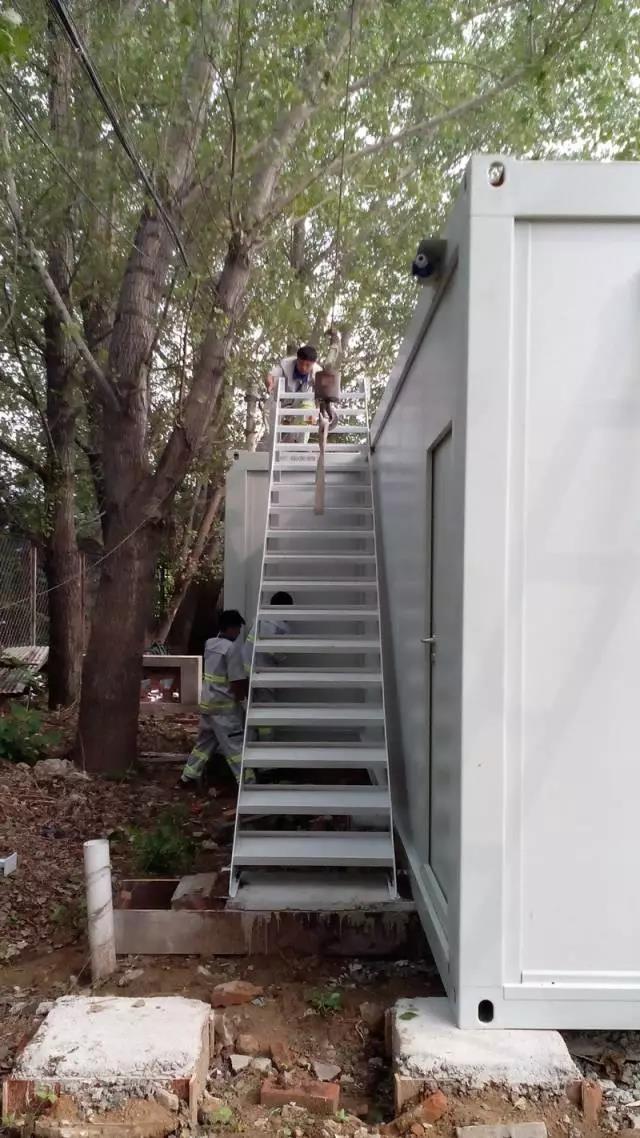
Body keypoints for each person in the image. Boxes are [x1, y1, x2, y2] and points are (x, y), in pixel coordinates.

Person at [178, 610, 250, 788]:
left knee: (204, 745)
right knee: (235, 748)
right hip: (224, 709)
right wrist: (244, 703)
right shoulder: (232, 649)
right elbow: (236, 681)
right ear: (231, 628)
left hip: (208, 705)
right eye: (238, 628)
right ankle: (247, 783)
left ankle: (187, 777)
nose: (239, 632)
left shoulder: (210, 644)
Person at [228, 592, 293, 742]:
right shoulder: (277, 625)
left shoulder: (262, 619)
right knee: (265, 711)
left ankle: (250, 743)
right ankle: (266, 745)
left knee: (250, 711)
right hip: (261, 674)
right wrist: (283, 656)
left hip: (247, 672)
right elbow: (273, 651)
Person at [259, 344, 321, 449]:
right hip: (284, 401)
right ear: (297, 359)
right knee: (268, 409)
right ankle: (272, 443)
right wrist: (270, 383)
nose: (303, 368)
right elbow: (271, 375)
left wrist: (318, 388)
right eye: (301, 363)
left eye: (307, 365)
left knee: (309, 414)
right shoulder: (286, 364)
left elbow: (323, 396)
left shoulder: (318, 373)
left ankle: (300, 446)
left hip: (304, 403)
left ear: (313, 364)